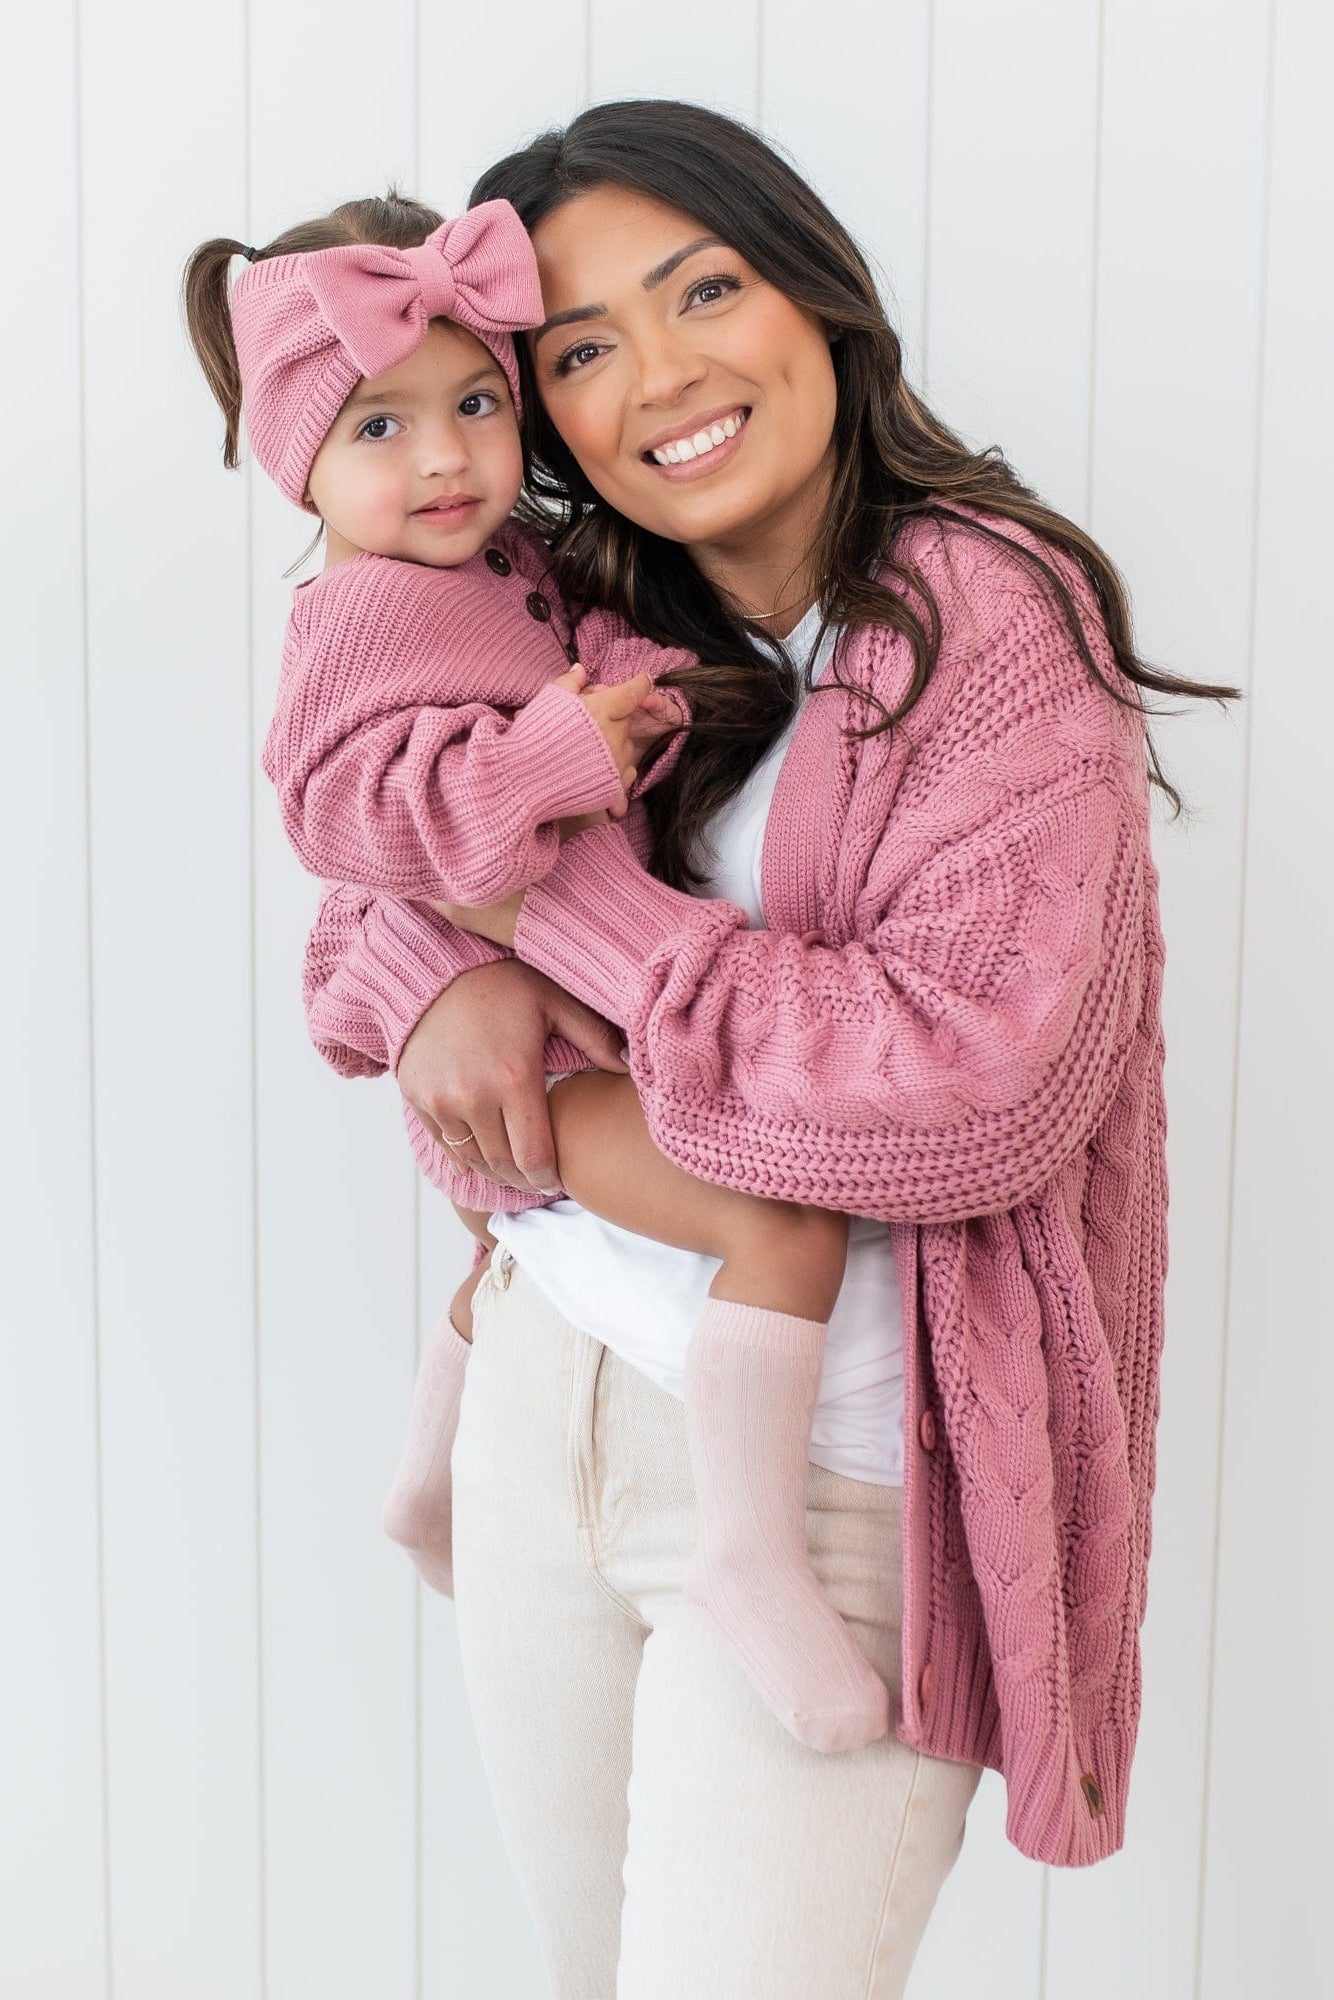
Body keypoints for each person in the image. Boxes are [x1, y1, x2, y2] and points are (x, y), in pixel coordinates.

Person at [294, 99, 1234, 2000]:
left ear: (813, 291)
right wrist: (433, 981)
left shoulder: (990, 614)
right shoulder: (578, 608)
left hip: (831, 1487)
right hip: (543, 1381)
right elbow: (358, 868)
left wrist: (544, 927)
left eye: (702, 288)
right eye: (577, 350)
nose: (659, 378)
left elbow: (959, 1095)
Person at [182, 192, 912, 1756]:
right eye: (380, 426)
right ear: (296, 462)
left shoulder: (505, 556)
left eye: (474, 405)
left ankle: (426, 1479)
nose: (441, 457)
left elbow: (578, 649)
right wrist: (544, 762)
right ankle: (749, 1550)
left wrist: (639, 687)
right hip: (545, 1055)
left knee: (497, 1248)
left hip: (548, 1032)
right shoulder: (359, 617)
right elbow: (345, 811)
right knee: (777, 1219)